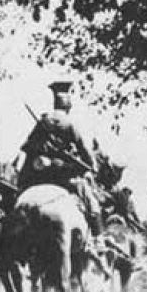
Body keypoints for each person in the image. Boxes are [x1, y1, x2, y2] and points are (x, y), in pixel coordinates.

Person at [14, 80, 103, 236]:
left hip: (37, 176)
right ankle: (98, 238)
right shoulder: (70, 124)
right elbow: (86, 153)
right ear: (68, 103)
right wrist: (91, 165)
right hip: (62, 176)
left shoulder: (43, 122)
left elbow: (27, 147)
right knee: (91, 201)